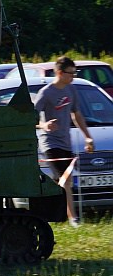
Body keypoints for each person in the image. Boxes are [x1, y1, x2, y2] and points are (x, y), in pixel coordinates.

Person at [35, 56, 96, 226]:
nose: (73, 77)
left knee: (59, 182)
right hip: (49, 143)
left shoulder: (71, 90)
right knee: (66, 180)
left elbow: (76, 115)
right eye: (70, 73)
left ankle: (51, 216)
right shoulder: (46, 93)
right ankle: (72, 218)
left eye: (74, 73)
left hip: (66, 142)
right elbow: (30, 117)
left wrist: (87, 136)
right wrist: (44, 125)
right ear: (60, 73)